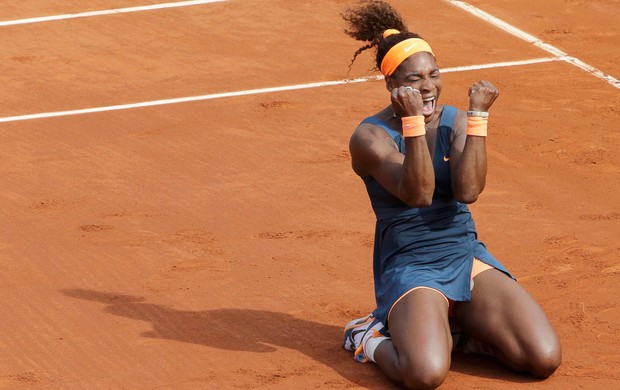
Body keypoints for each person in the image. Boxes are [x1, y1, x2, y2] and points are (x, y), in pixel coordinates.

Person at [339, 1, 562, 388]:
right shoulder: (370, 137)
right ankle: (369, 337)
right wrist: (412, 121)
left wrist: (477, 118)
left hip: (463, 252)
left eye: (434, 75)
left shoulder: (456, 120)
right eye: (414, 79)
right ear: (392, 85)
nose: (427, 87)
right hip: (411, 265)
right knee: (425, 374)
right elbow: (419, 193)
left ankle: (457, 332)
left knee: (543, 358)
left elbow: (469, 190)